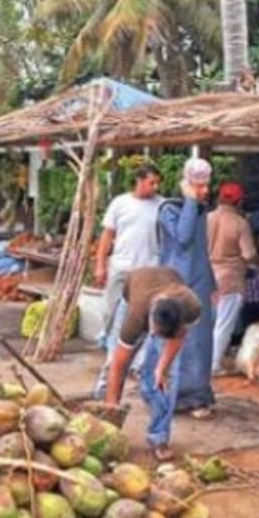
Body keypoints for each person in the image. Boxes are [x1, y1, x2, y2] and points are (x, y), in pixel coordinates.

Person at [99, 266, 204, 461]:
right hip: (133, 291)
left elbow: (178, 338)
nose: (154, 337)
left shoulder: (191, 306)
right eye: (155, 333)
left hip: (168, 288)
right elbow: (118, 365)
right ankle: (102, 417)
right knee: (111, 364)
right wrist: (113, 408)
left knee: (168, 378)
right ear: (151, 322)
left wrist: (161, 368)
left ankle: (159, 437)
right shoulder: (136, 315)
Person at [91, 165, 162, 402]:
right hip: (121, 269)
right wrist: (100, 264)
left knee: (142, 321)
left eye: (157, 183)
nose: (155, 187)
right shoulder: (120, 204)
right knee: (112, 316)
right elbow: (107, 236)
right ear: (139, 181)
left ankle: (132, 363)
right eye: (151, 182)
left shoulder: (162, 205)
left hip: (147, 272)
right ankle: (113, 360)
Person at [156, 157, 217, 418]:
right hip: (175, 285)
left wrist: (213, 283)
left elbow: (202, 251)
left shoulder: (201, 210)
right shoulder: (169, 209)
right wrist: (190, 201)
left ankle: (197, 396)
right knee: (175, 341)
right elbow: (182, 238)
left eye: (206, 186)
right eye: (198, 186)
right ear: (187, 184)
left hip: (200, 284)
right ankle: (169, 395)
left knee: (200, 344)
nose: (204, 191)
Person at [206, 181, 257, 375]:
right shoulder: (240, 223)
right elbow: (248, 254)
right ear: (239, 201)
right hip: (230, 280)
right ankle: (213, 365)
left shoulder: (207, 218)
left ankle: (201, 363)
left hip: (208, 277)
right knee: (223, 325)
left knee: (206, 323)